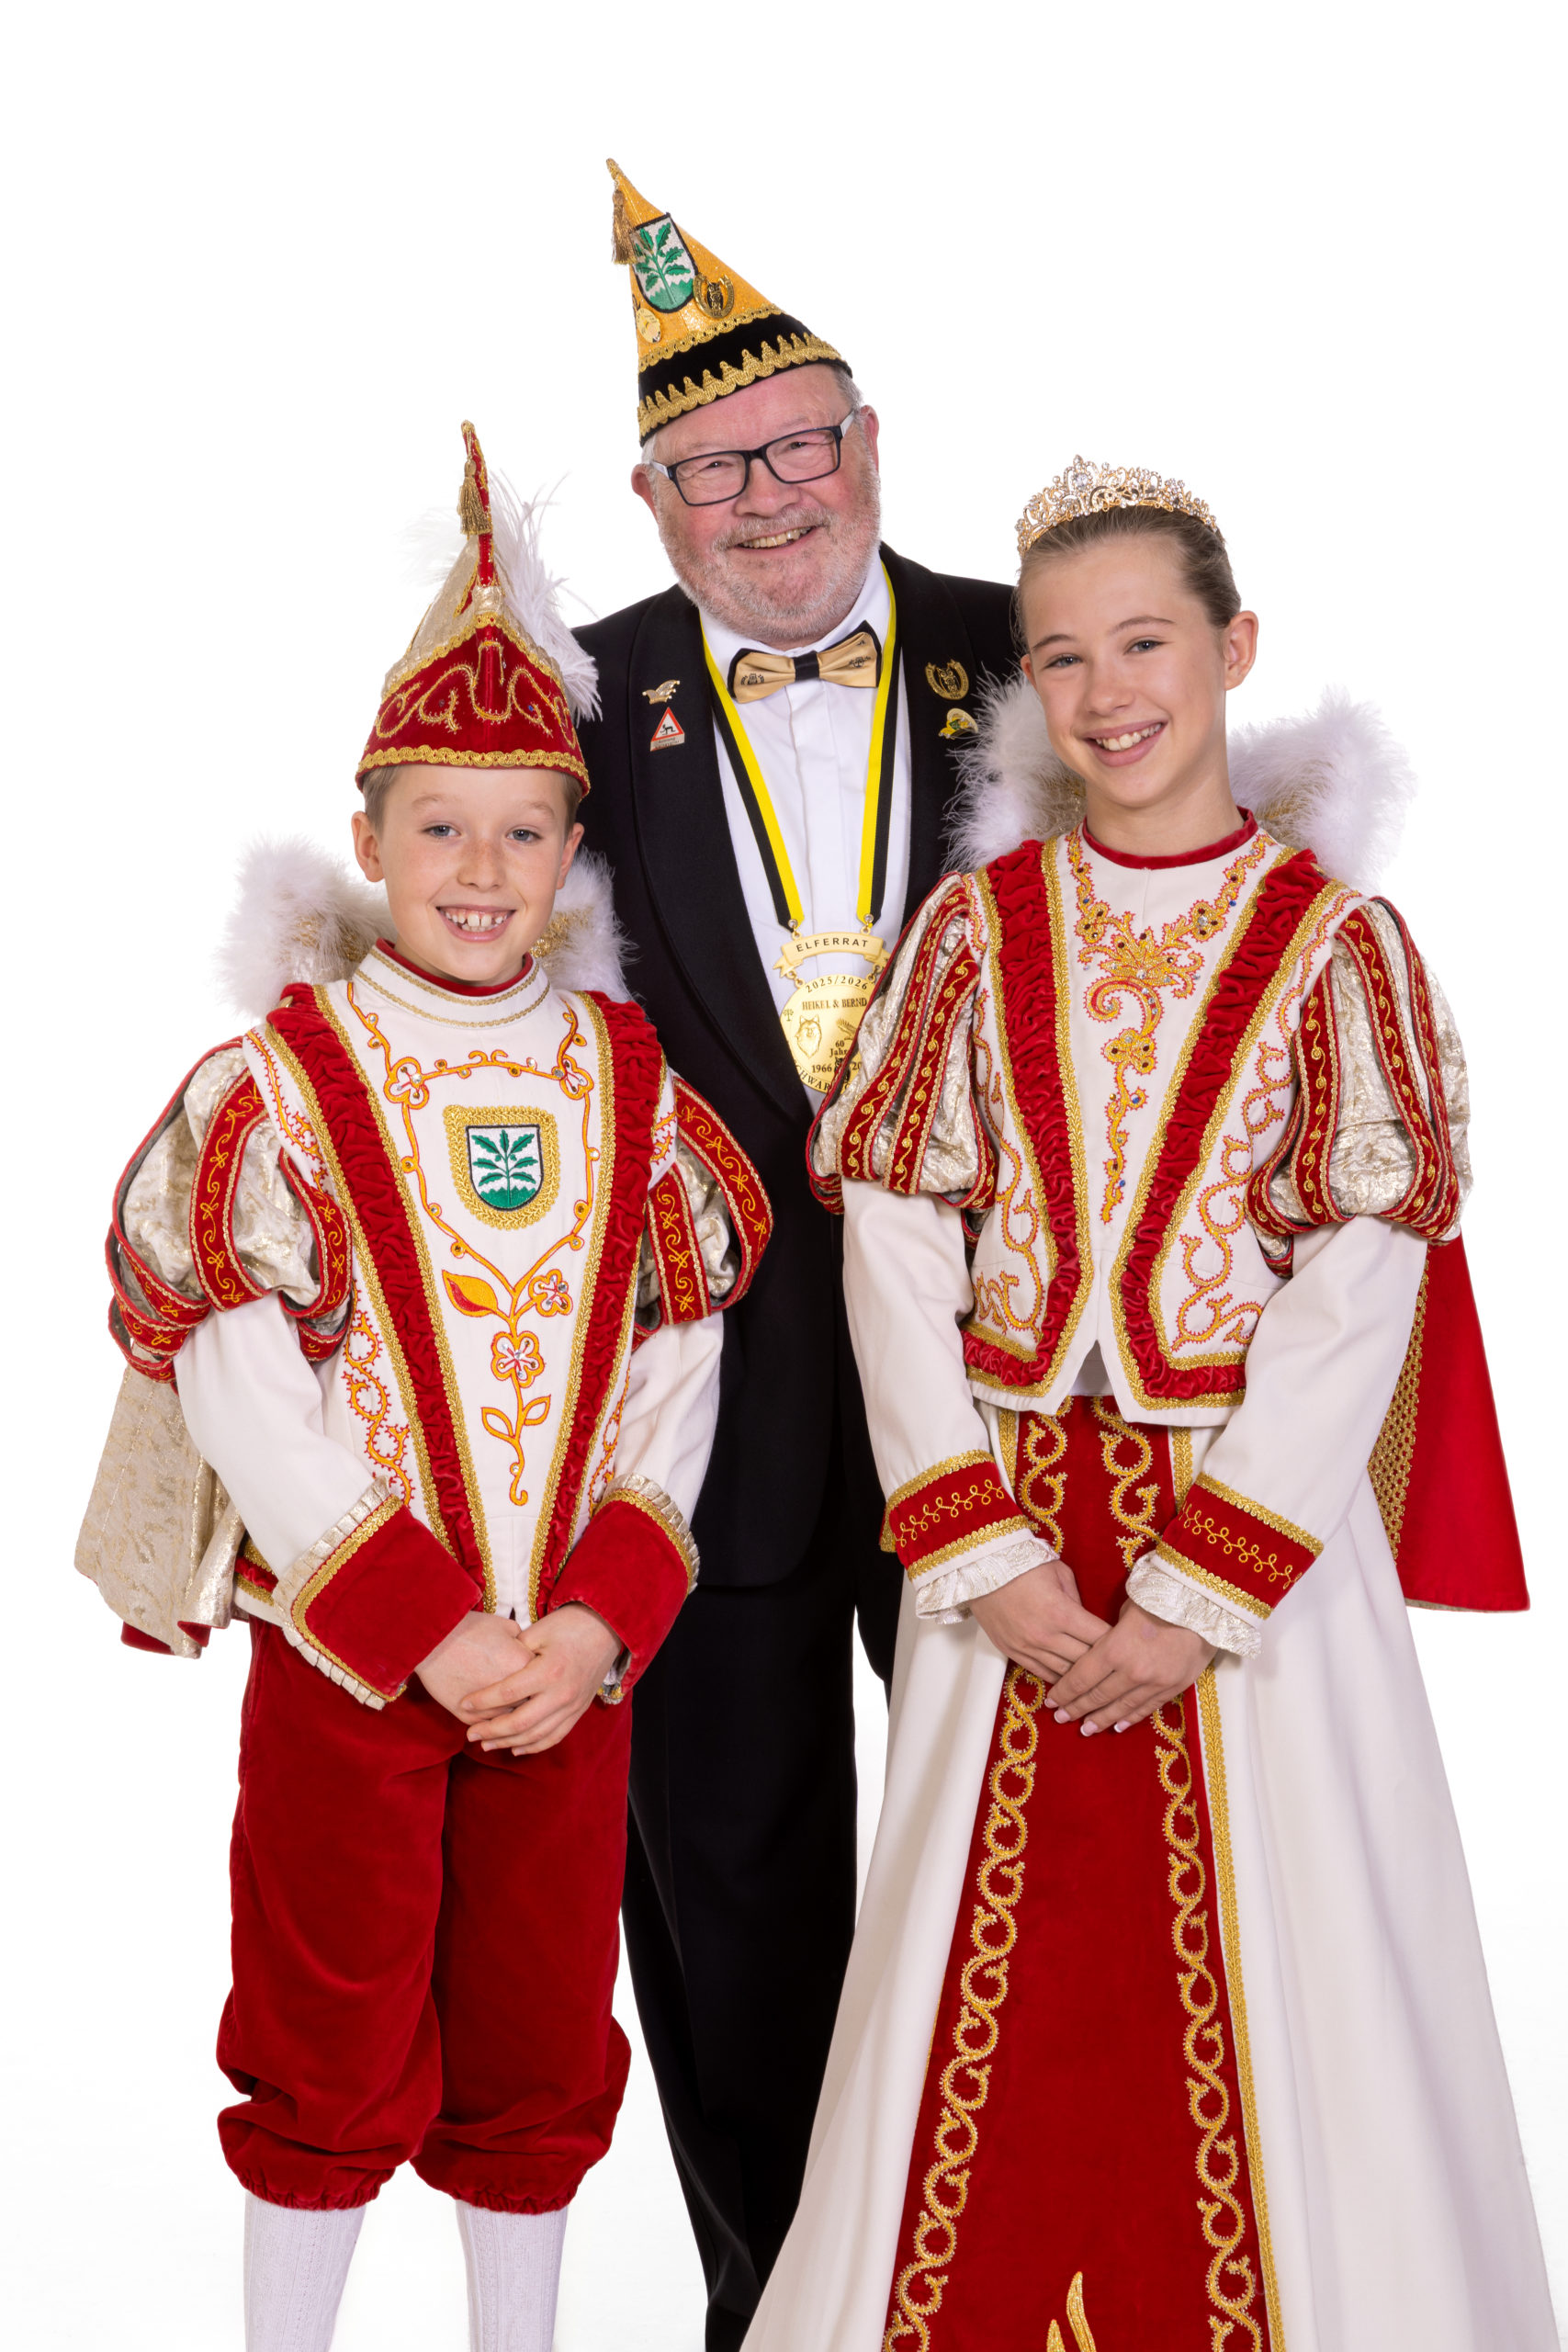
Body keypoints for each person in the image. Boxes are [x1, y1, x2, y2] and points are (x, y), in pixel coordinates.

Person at [744, 458, 1559, 2350]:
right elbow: (895, 1239)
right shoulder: (974, 933)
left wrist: (1199, 1590)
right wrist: (974, 1540)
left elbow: (1359, 1286)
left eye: (1144, 643)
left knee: (1308, 1968)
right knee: (968, 1977)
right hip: (1013, 1545)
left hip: (1257, 1564)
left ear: (1232, 647)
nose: (1107, 693)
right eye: (1061, 656)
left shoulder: (1338, 945)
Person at [76, 425, 772, 2352]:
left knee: (542, 2027)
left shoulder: (631, 1084)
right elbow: (242, 1377)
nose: (482, 870)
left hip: (564, 1658)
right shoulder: (281, 1083)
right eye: (441, 829)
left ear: (571, 853)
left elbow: (675, 1361)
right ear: (368, 838)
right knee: (327, 2021)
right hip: (354, 1654)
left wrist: (591, 1619)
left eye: (523, 832)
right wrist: (418, 1624)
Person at [571, 161, 1019, 2348]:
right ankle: (775, 2314)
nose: (768, 496)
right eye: (714, 467)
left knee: (1020, 1873)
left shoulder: (1033, 651)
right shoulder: (569, 700)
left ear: (868, 441)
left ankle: (1027, 2282)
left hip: (1005, 1398)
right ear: (653, 503)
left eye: (799, 444)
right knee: (734, 1922)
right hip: (699, 1413)